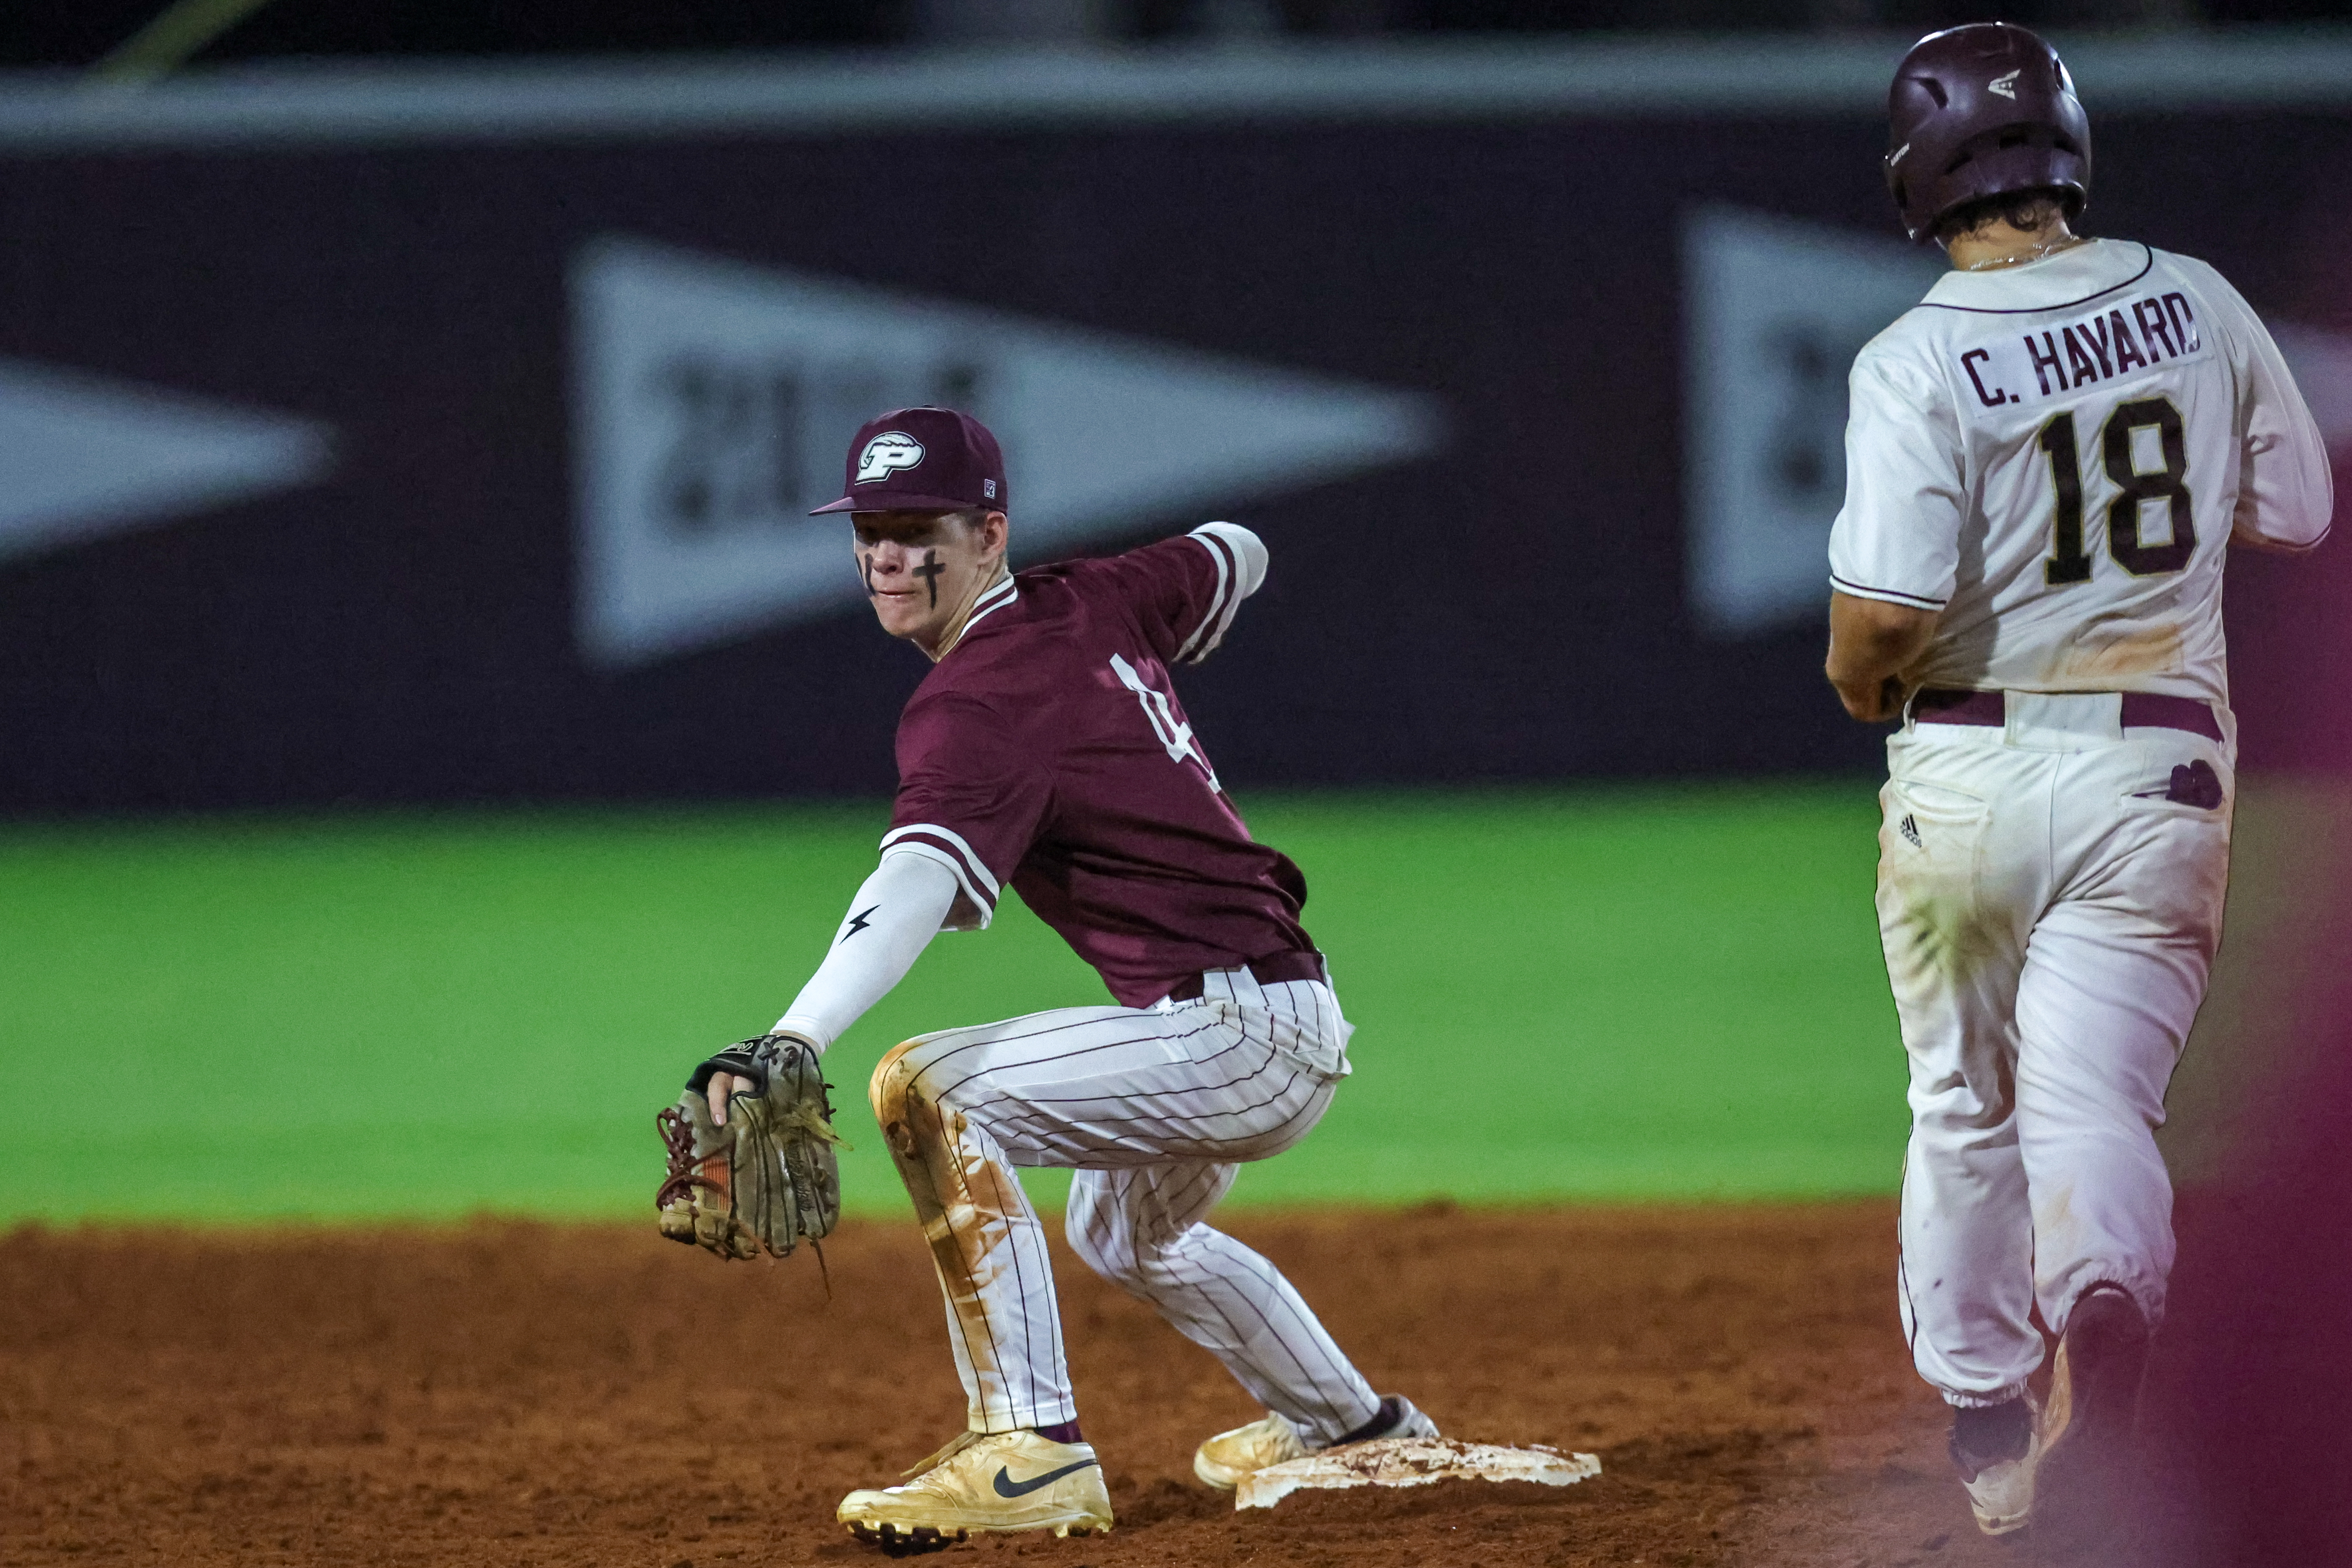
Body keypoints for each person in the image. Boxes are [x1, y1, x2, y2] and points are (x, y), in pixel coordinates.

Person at [707, 405, 1435, 1550]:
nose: (888, 555)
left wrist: (797, 1035)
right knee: (1125, 1234)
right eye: (869, 528)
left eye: (917, 528)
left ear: (988, 536)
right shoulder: (1089, 596)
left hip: (1232, 1036)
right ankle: (1356, 1431)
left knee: (928, 1089)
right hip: (1276, 1010)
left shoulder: (980, 697)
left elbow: (908, 891)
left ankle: (1029, 1450)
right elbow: (1235, 549)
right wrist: (1152, 637)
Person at [1823, 22, 2331, 1544]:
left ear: (1920, 171)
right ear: (2066, 148)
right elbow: (2299, 509)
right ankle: (2106, 1293)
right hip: (2159, 762)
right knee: (2096, 1093)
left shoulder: (1918, 352)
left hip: (1967, 765)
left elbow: (1885, 622)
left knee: (1962, 1105)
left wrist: (1861, 688)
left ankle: (1987, 1424)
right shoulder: (2195, 298)